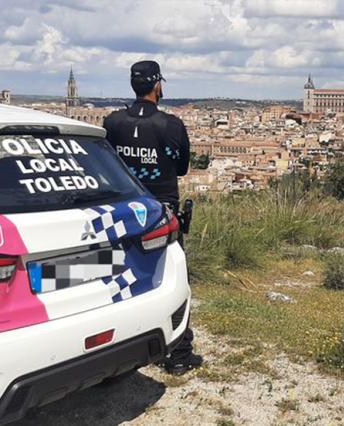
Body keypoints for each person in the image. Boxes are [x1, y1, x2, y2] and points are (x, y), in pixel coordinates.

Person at [103, 60, 202, 375]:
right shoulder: (170, 125)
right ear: (158, 85)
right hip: (160, 212)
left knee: (116, 278)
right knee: (171, 279)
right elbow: (183, 166)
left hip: (121, 211)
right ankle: (178, 352)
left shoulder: (112, 122)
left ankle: (117, 348)